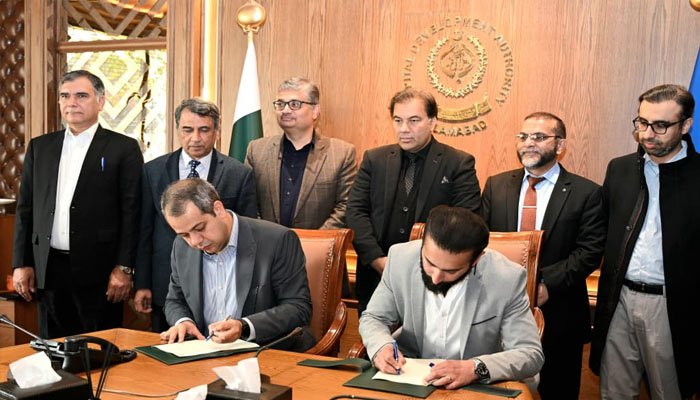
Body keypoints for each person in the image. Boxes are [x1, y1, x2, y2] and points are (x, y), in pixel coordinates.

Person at [481, 112, 605, 399]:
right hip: (497, 311)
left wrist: (543, 283)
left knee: (558, 392)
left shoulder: (586, 192)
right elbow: (481, 241)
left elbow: (589, 251)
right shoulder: (496, 185)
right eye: (523, 136)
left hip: (559, 312)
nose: (529, 143)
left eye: (539, 137)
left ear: (560, 145)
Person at [12, 70, 143, 338]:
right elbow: (26, 209)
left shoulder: (123, 148)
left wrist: (124, 268)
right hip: (49, 268)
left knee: (98, 349)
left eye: (81, 96)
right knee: (53, 349)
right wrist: (21, 263)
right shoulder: (40, 147)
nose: (72, 102)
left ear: (101, 101)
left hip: (101, 270)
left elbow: (132, 213)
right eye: (65, 96)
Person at [590, 84, 700, 399]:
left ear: (686, 125)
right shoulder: (621, 168)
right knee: (614, 392)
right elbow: (601, 232)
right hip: (618, 299)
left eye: (661, 125)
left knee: (669, 392)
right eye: (642, 122)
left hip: (671, 306)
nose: (647, 134)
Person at [359, 206, 544, 391]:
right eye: (429, 263)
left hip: (473, 386)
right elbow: (374, 318)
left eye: (451, 271)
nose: (435, 278)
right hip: (410, 376)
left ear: (476, 260)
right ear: (423, 244)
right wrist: (381, 346)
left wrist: (474, 368)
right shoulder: (400, 259)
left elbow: (530, 353)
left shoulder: (506, 278)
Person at [347, 88, 481, 313]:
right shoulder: (375, 159)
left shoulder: (458, 163)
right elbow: (355, 211)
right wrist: (377, 259)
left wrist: (429, 265)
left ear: (432, 122)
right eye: (398, 120)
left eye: (413, 120)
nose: (404, 129)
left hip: (434, 282)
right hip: (375, 278)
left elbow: (468, 221)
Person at [133, 98, 258, 333]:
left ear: (217, 132)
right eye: (188, 130)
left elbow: (247, 233)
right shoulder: (153, 170)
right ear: (177, 130)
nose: (196, 138)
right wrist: (142, 283)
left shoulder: (239, 174)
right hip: (165, 283)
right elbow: (144, 230)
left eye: (204, 130)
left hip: (220, 284)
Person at [159, 178, 315, 352]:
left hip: (266, 352)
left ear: (218, 209)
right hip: (203, 354)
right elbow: (175, 300)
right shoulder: (181, 247)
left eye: (200, 228)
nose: (195, 241)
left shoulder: (277, 240)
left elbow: (298, 308)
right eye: (184, 235)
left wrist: (244, 327)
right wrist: (183, 321)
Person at [245, 77, 357, 229]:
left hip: (319, 242)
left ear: (315, 111)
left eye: (294, 104)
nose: (285, 110)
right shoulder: (257, 150)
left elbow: (345, 206)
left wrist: (314, 240)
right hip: (267, 242)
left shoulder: (342, 154)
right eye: (280, 104)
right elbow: (249, 203)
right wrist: (267, 237)